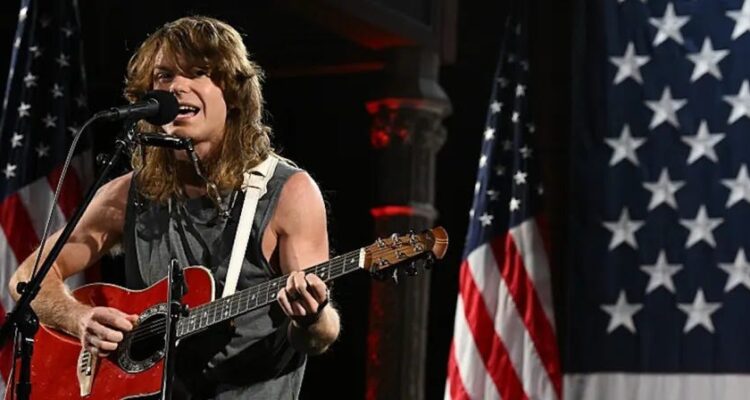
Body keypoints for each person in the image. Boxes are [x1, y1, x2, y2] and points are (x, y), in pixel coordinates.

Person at [8, 15, 340, 399]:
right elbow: (26, 278)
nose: (176, 87)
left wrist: (312, 316)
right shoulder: (131, 192)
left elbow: (319, 337)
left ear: (232, 91)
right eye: (164, 76)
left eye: (198, 73)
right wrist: (79, 317)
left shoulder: (288, 193)